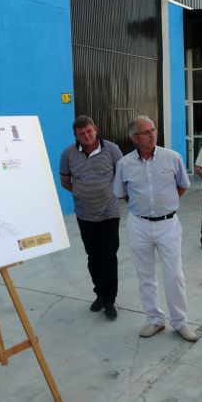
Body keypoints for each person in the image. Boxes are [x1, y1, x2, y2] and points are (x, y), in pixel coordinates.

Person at [113, 116, 198, 342]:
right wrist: (142, 208)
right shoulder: (124, 164)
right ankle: (155, 319)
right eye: (145, 132)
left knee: (174, 275)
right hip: (139, 224)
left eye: (153, 130)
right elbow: (122, 193)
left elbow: (182, 186)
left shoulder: (172, 157)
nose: (152, 135)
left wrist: (165, 205)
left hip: (168, 224)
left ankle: (180, 321)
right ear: (134, 138)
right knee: (145, 274)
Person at [60, 116, 123, 319]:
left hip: (109, 213)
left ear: (95, 129)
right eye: (81, 133)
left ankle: (110, 300)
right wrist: (81, 193)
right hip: (85, 215)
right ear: (75, 135)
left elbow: (122, 176)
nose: (86, 135)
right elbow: (65, 181)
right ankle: (100, 295)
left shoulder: (112, 150)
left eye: (88, 131)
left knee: (109, 257)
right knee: (93, 257)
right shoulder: (68, 154)